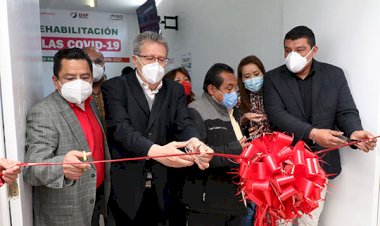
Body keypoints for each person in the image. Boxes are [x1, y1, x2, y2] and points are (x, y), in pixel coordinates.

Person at [263, 25, 377, 226]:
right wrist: (313, 133)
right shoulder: (273, 78)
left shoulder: (334, 75)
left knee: (310, 220)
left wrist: (354, 132)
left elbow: (346, 111)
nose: (292, 56)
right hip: (284, 163)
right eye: (287, 50)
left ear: (314, 50)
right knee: (281, 221)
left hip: (320, 164)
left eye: (299, 50)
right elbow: (277, 115)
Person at [101, 31, 213, 226]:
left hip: (167, 186)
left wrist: (195, 142)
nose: (156, 64)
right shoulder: (115, 87)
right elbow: (121, 129)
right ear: (135, 60)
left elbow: (184, 123)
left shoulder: (174, 90)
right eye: (150, 58)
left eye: (161, 59)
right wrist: (157, 151)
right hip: (129, 187)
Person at [23, 48, 111, 226]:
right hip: (65, 213)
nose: (79, 83)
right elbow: (32, 169)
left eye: (85, 77)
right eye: (70, 78)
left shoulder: (90, 103)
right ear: (56, 81)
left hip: (94, 200)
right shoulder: (44, 112)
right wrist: (62, 166)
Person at [182, 63, 249, 226]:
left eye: (235, 88)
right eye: (229, 88)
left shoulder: (233, 110)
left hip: (234, 199)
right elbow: (199, 156)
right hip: (207, 202)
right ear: (212, 89)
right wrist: (236, 149)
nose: (234, 93)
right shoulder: (195, 111)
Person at [237, 55, 272, 226]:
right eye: (247, 76)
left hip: (274, 158)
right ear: (241, 79)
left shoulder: (274, 95)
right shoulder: (237, 100)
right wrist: (243, 120)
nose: (252, 79)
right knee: (250, 206)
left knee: (271, 205)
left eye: (256, 74)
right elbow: (232, 128)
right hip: (250, 161)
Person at [83, 47, 107, 130]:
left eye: (98, 62)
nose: (93, 66)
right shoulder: (77, 92)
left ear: (104, 64)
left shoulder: (114, 89)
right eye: (88, 62)